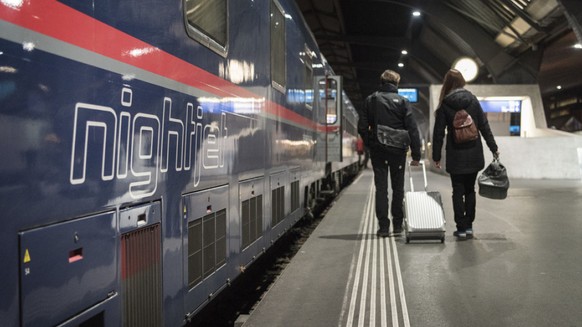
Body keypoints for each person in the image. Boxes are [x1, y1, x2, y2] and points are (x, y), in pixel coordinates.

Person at [432, 69, 499, 239]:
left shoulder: (445, 104)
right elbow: (484, 126)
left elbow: (438, 133)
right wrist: (493, 148)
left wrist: (436, 156)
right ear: (462, 81)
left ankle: (461, 228)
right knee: (470, 190)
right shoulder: (473, 100)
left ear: (447, 84)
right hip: (474, 152)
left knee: (457, 190)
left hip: (455, 155)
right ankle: (469, 226)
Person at [358, 70, 421, 237]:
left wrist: (371, 144)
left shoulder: (371, 100)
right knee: (398, 188)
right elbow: (412, 129)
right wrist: (416, 154)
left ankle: (383, 228)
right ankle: (398, 226)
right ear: (396, 84)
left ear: (381, 82)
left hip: (378, 150)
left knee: (381, 189)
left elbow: (362, 127)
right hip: (398, 151)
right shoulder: (403, 101)